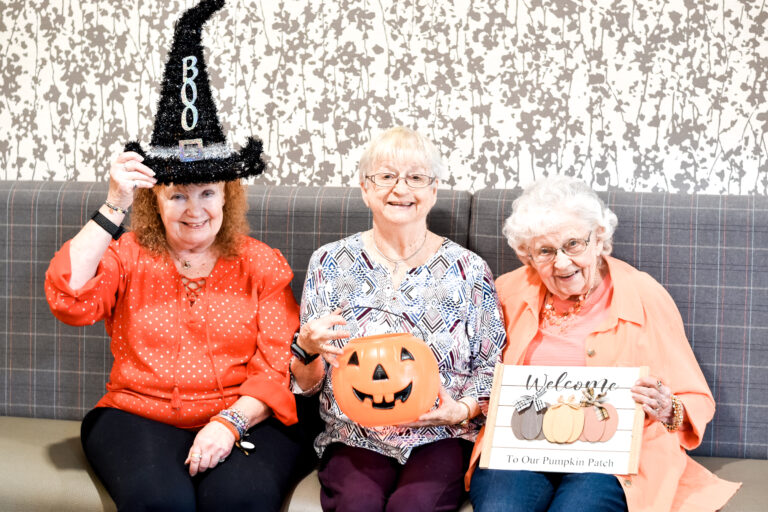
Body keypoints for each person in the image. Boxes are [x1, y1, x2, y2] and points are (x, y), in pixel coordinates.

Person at [44, 1, 314, 510]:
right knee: (160, 502)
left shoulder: (260, 262)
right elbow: (70, 298)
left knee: (239, 500)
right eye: (178, 196)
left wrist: (228, 423)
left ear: (227, 197)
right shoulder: (127, 255)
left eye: (208, 193)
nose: (195, 210)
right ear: (154, 201)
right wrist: (114, 203)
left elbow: (278, 362)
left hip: (245, 415)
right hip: (135, 414)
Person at [468, 176, 741, 512]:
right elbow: (476, 371)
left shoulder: (644, 295)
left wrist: (667, 408)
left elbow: (695, 398)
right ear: (528, 256)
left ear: (598, 239)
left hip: (611, 458)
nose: (561, 263)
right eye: (545, 251)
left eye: (573, 244)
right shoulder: (506, 292)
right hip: (520, 449)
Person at [290, 126, 507, 512]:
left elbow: (491, 365)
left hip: (440, 433)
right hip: (354, 434)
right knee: (357, 505)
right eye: (386, 176)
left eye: (416, 177)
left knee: (414, 506)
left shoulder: (468, 270)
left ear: (434, 190)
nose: (401, 189)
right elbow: (308, 386)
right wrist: (306, 349)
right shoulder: (328, 263)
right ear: (365, 188)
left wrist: (461, 410)